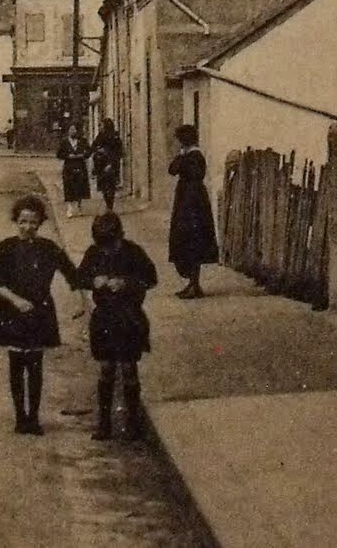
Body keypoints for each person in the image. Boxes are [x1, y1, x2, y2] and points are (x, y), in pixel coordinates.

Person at [0, 194, 82, 435]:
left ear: (40, 223)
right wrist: (16, 300)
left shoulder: (48, 248)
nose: (28, 227)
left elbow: (72, 275)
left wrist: (81, 300)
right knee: (16, 365)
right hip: (12, 312)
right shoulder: (6, 248)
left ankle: (34, 419)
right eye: (23, 222)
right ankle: (20, 418)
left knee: (35, 366)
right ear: (16, 221)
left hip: (39, 313)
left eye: (33, 222)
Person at [78, 211, 157, 440]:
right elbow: (80, 277)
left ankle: (133, 423)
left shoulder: (134, 252)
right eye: (103, 247)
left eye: (112, 246)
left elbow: (151, 279)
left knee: (129, 368)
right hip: (104, 318)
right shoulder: (94, 253)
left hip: (129, 317)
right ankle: (104, 424)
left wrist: (126, 283)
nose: (108, 251)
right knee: (106, 368)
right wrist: (93, 281)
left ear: (121, 236)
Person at [167, 124, 218, 299]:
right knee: (187, 241)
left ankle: (194, 285)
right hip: (188, 200)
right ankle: (192, 284)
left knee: (192, 241)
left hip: (193, 203)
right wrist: (182, 156)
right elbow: (172, 169)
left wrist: (182, 157)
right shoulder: (188, 156)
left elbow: (185, 172)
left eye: (180, 140)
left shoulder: (195, 156)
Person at [56, 123, 92, 219]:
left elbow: (89, 151)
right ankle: (70, 208)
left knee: (80, 186)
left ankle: (79, 206)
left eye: (74, 129)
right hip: (69, 167)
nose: (73, 131)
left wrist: (83, 155)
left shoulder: (82, 141)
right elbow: (59, 154)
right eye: (71, 129)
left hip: (80, 166)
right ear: (68, 131)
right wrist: (68, 156)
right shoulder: (64, 142)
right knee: (69, 187)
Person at [92, 118, 123, 211]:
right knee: (104, 187)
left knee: (110, 186)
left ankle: (110, 206)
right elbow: (93, 146)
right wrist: (98, 150)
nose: (100, 127)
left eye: (101, 125)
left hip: (111, 164)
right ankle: (107, 204)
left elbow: (118, 152)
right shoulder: (100, 136)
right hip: (101, 165)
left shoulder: (114, 137)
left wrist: (111, 164)